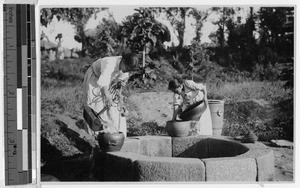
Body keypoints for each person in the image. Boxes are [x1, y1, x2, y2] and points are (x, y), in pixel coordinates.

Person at [82, 52, 140, 137]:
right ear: (123, 61)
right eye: (126, 68)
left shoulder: (125, 69)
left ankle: (111, 134)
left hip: (109, 82)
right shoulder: (110, 64)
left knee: (113, 108)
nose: (126, 71)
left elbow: (119, 86)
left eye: (128, 70)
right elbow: (103, 82)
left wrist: (119, 99)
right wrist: (107, 97)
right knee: (94, 108)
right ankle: (92, 136)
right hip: (95, 78)